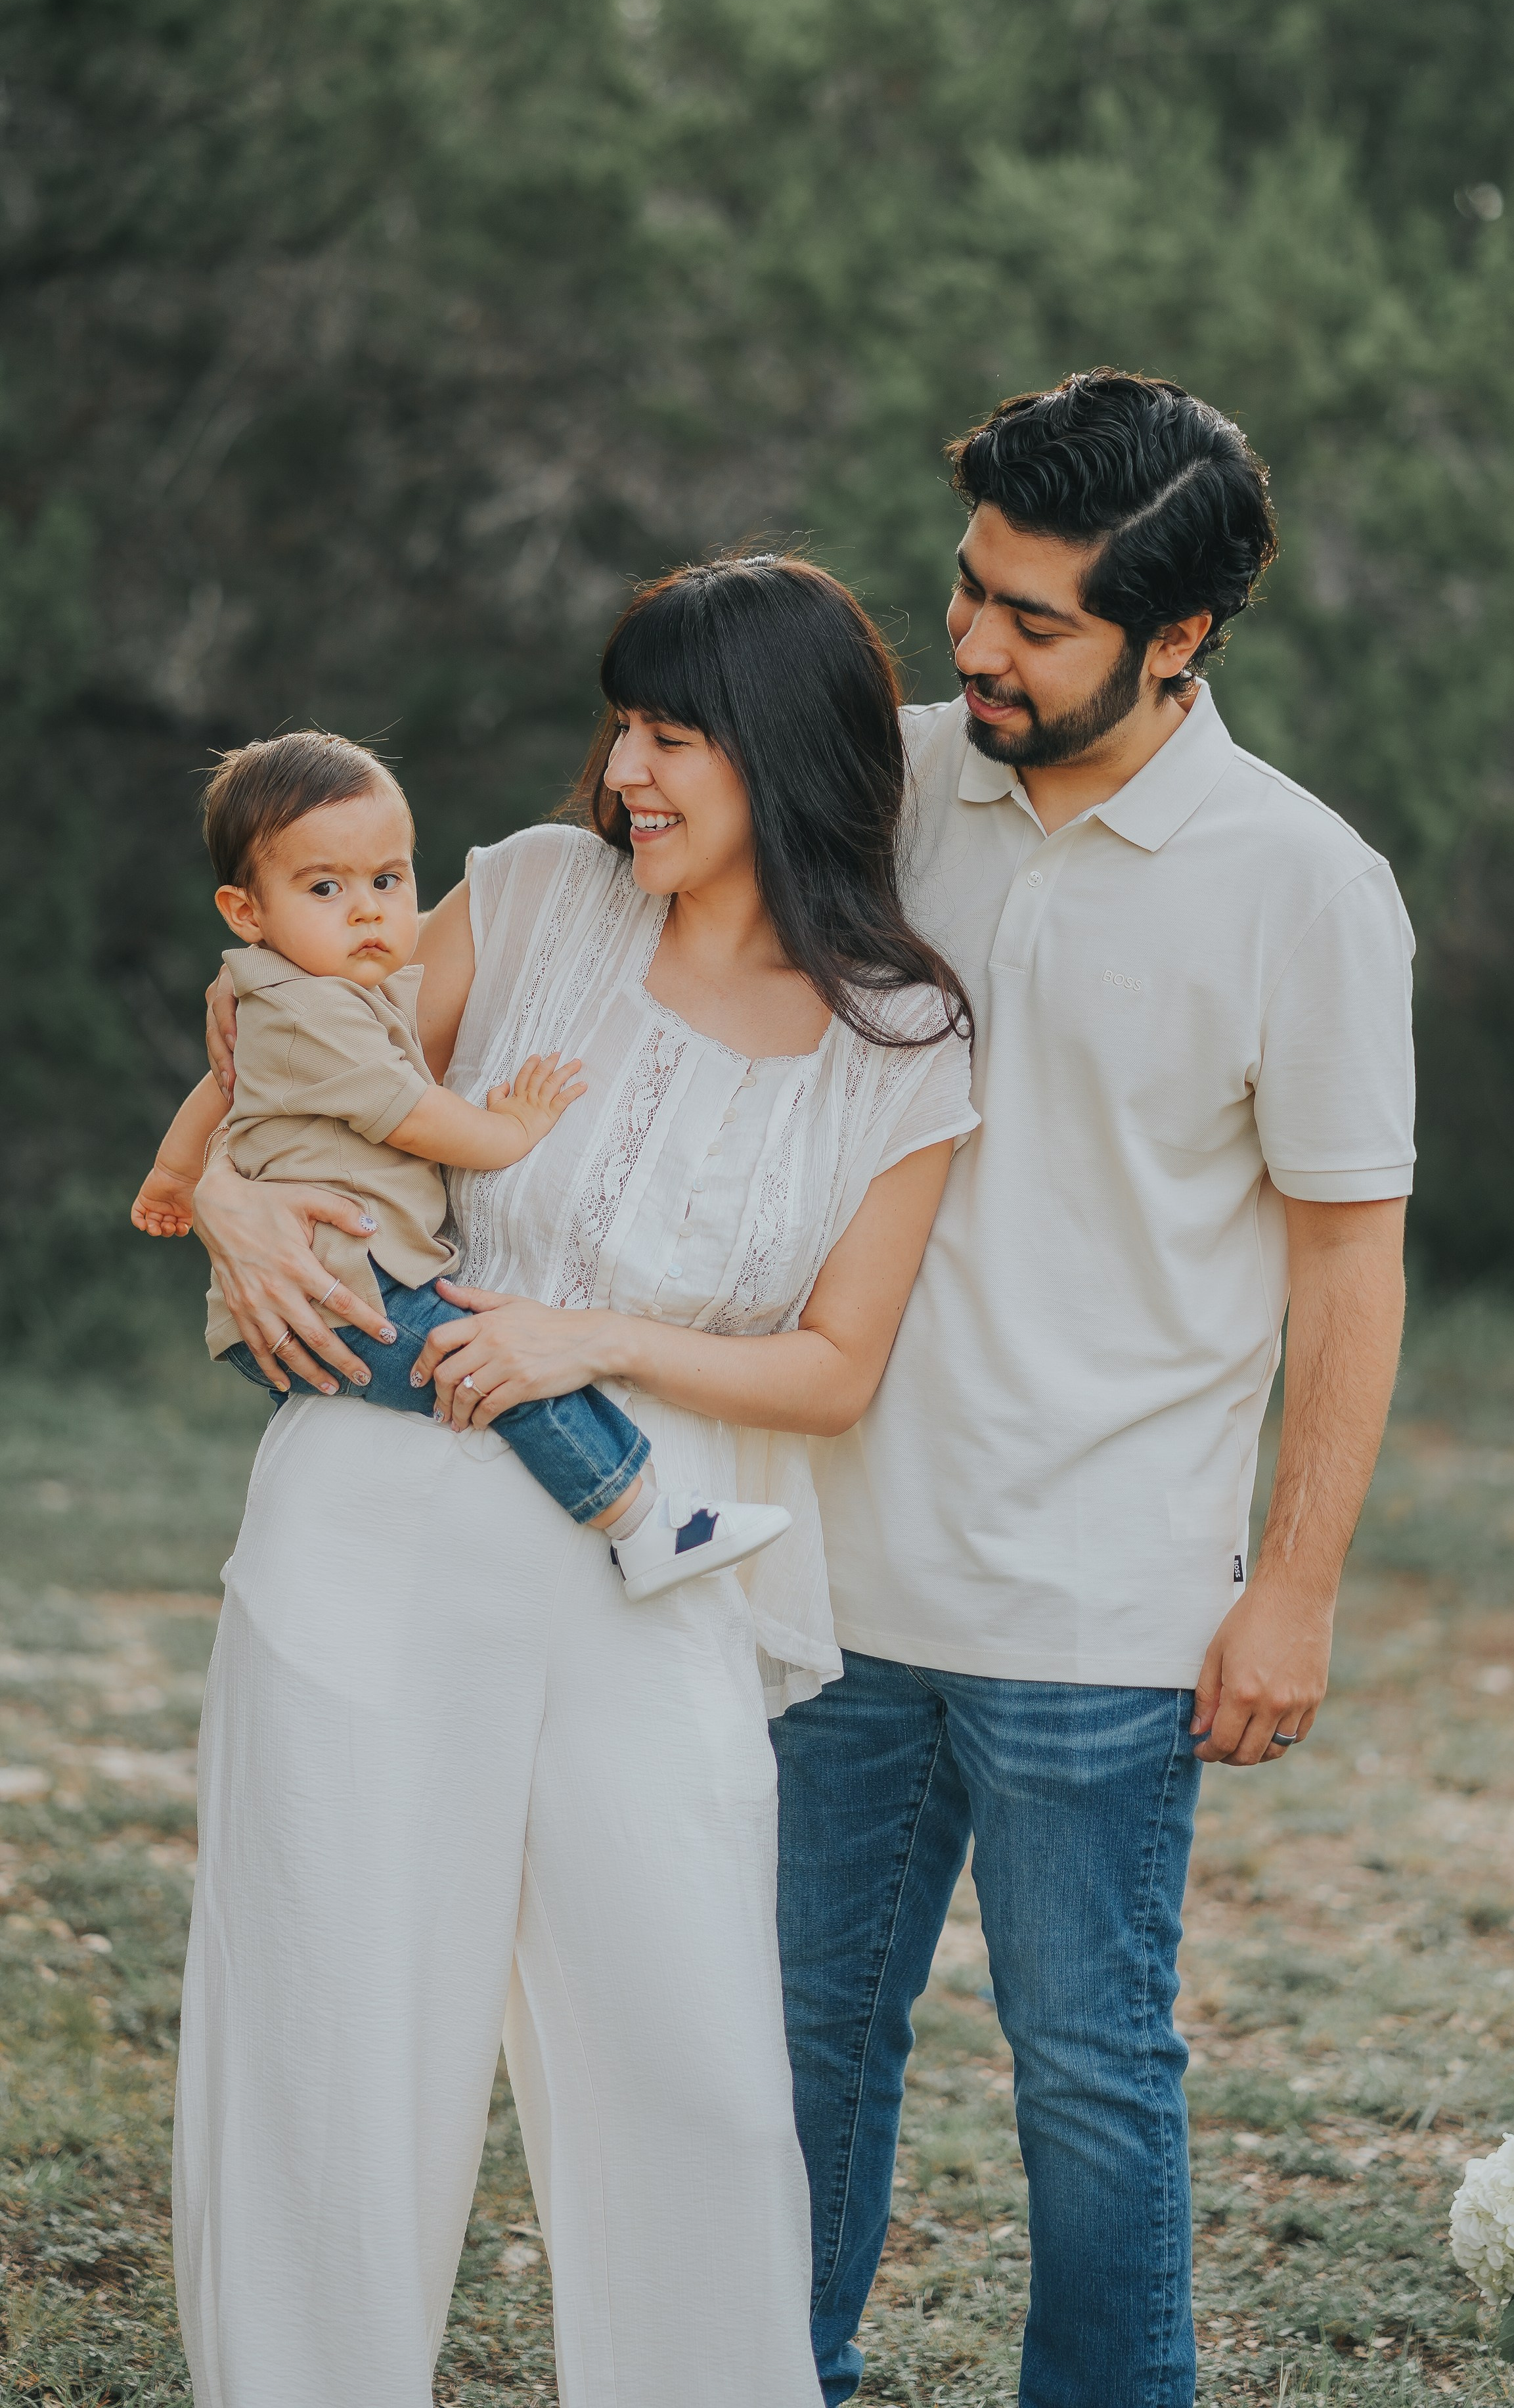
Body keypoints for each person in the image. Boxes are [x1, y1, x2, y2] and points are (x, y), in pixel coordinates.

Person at [173, 555, 979, 2408]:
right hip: (375, 1516)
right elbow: (287, 1058)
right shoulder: (536, 894)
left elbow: (836, 1370)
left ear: (784, 751)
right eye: (622, 727)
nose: (624, 771)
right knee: (335, 2031)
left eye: (673, 736)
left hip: (652, 1565)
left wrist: (592, 1340)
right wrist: (216, 1195)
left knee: (691, 2063)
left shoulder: (905, 1039)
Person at [774, 371, 1415, 2408]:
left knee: (1090, 2078)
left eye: (1035, 620)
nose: (973, 643)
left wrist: (1292, 1588)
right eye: (968, 588)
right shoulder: (876, 778)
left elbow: (1348, 1259)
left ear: (1180, 631)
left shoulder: (1301, 881)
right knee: (793, 2044)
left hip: (1103, 1606)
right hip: (820, 1571)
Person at [132, 727, 791, 1598]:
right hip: (352, 1285)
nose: (367, 911)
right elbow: (419, 1119)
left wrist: (178, 1175)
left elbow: (222, 1083)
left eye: (387, 879)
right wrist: (513, 1127)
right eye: (325, 887)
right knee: (502, 1366)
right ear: (245, 913)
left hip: (339, 1284)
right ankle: (641, 1525)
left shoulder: (300, 995)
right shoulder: (318, 1014)